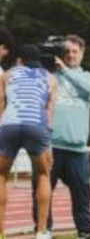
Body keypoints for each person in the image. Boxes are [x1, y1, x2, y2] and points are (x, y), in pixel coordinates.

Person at [32, 35, 90, 239]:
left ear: (82, 53)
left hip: (77, 149)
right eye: (67, 51)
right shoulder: (51, 75)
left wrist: (65, 70)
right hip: (50, 146)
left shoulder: (88, 77)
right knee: (42, 193)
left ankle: (84, 232)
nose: (70, 55)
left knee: (82, 195)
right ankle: (44, 230)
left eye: (74, 52)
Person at [0, 44, 58, 239]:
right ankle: (41, 232)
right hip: (37, 125)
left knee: (1, 175)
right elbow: (50, 112)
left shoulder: (6, 75)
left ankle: (0, 232)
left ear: (19, 60)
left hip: (9, 124)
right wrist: (46, 139)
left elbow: (1, 106)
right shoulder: (50, 78)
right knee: (43, 174)